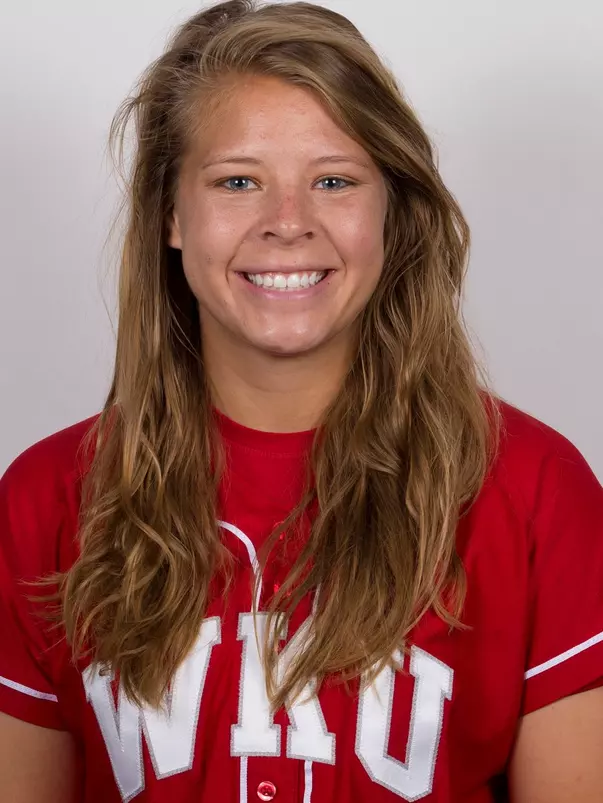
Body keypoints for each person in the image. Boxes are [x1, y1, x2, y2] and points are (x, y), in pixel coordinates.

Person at [1, 1, 602, 801]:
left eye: (333, 179)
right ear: (172, 214)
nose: (288, 222)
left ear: (391, 208)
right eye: (238, 180)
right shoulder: (46, 498)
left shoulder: (533, 489)